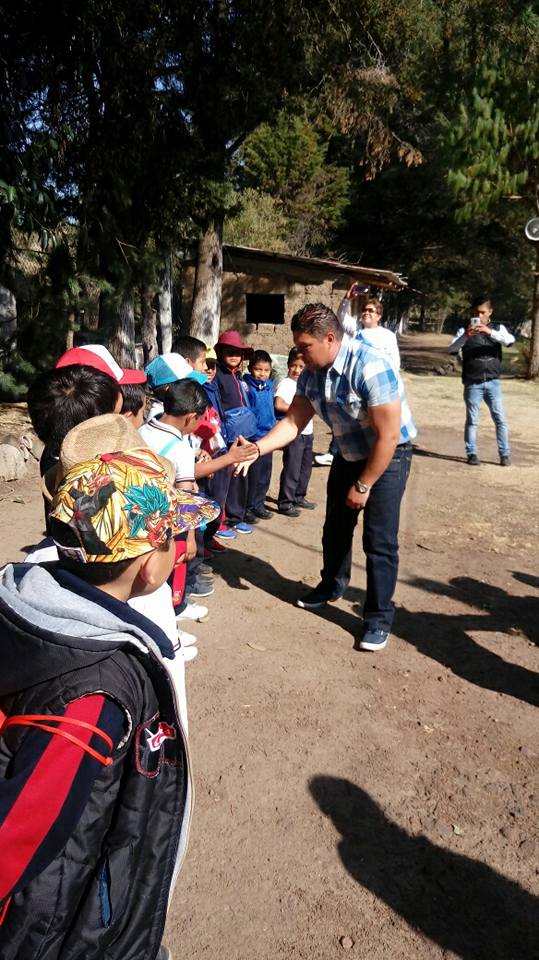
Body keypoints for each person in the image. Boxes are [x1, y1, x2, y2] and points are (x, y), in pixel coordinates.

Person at [0, 447, 213, 959]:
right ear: (146, 565)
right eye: (173, 539)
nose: (183, 550)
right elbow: (15, 837)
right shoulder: (95, 692)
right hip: (57, 927)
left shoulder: (26, 599)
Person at [249, 302, 416, 652]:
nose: (300, 354)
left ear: (329, 338)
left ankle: (378, 616)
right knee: (336, 526)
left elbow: (388, 437)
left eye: (305, 347)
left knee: (379, 539)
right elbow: (293, 422)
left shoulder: (370, 366)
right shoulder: (312, 372)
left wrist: (364, 484)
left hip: (387, 455)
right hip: (349, 452)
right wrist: (257, 449)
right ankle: (331, 585)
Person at [448, 296, 514, 466]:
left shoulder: (498, 328)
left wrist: (489, 332)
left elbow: (510, 341)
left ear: (490, 312)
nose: (479, 315)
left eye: (483, 312)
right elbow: (451, 349)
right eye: (476, 312)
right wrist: (466, 337)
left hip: (493, 382)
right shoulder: (464, 330)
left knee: (500, 419)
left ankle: (504, 454)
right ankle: (471, 454)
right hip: (472, 383)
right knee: (472, 420)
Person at [214, 330, 257, 535]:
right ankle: (221, 521)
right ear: (221, 352)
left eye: (238, 352)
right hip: (228, 435)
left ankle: (236, 516)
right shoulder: (218, 376)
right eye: (229, 351)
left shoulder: (239, 376)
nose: (234, 356)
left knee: (241, 473)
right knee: (225, 477)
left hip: (244, 434)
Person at [275, 347, 316, 517]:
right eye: (294, 366)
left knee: (305, 467)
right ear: (288, 365)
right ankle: (285, 502)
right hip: (294, 432)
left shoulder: (306, 383)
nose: (297, 370)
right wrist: (297, 410)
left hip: (308, 431)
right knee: (292, 467)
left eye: (301, 366)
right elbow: (278, 404)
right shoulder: (287, 383)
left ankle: (299, 496)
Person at [243, 350, 276, 522]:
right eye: (258, 369)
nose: (262, 374)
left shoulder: (270, 386)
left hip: (268, 437)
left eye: (266, 370)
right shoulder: (246, 387)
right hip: (254, 438)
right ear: (250, 368)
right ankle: (248, 508)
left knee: (265, 474)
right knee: (253, 475)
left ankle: (259, 505)